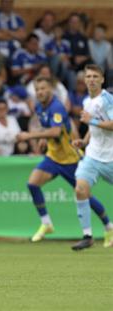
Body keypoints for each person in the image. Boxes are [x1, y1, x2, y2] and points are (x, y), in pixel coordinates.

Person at [15, 75, 112, 247]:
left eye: (44, 88)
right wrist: (45, 139)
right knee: (32, 184)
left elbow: (55, 132)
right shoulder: (39, 107)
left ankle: (108, 226)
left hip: (70, 159)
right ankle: (46, 224)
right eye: (37, 90)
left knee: (85, 195)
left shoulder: (57, 107)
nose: (40, 92)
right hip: (53, 157)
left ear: (51, 89)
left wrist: (30, 135)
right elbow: (50, 131)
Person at [72, 64, 113, 250]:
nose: (91, 79)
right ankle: (87, 235)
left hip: (111, 157)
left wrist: (92, 120)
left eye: (95, 76)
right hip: (93, 157)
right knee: (80, 189)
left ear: (102, 79)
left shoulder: (107, 100)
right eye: (88, 76)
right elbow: (93, 128)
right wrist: (84, 141)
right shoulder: (87, 101)